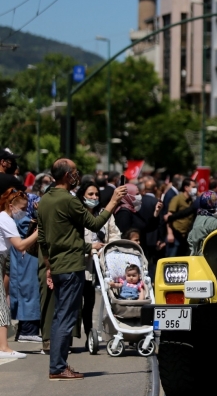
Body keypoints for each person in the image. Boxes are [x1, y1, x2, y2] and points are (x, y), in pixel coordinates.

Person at [38, 158, 126, 380]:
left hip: (58, 264)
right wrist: (113, 200)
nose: (78, 175)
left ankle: (58, 365)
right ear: (67, 175)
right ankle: (58, 367)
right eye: (75, 172)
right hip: (70, 265)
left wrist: (48, 264)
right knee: (65, 318)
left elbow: (42, 236)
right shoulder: (69, 200)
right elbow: (95, 224)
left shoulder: (46, 199)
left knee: (61, 315)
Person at [76, 181, 121, 349]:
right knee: (80, 301)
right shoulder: (77, 214)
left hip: (102, 262)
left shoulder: (105, 213)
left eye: (96, 194)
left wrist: (108, 248)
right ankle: (81, 333)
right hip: (82, 262)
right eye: (90, 194)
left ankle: (96, 333)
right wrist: (89, 248)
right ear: (83, 196)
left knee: (93, 301)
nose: (94, 197)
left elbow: (115, 234)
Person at [0, 188, 39, 358]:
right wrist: (39, 232)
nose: (23, 212)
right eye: (22, 209)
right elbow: (21, 245)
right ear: (11, 206)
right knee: (2, 306)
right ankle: (4, 347)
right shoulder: (6, 219)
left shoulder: (5, 218)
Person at [9, 191, 41, 343]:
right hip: (26, 258)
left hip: (23, 258)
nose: (22, 211)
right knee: (29, 292)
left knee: (27, 292)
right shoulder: (22, 219)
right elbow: (26, 227)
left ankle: (25, 330)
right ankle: (28, 330)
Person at [166, 179, 196, 257]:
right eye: (193, 187)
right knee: (171, 260)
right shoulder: (177, 199)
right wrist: (170, 234)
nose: (195, 189)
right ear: (186, 187)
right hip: (176, 235)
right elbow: (169, 217)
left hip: (185, 236)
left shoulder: (191, 200)